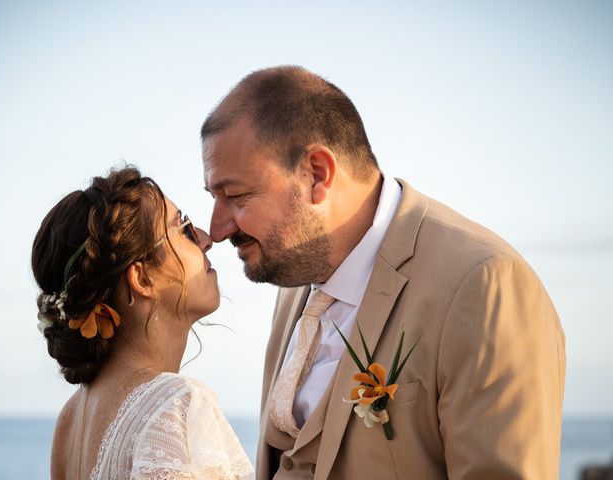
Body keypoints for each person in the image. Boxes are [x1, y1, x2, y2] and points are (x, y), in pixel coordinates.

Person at [200, 66, 566, 479]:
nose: (217, 228)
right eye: (214, 197)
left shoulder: (485, 285)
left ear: (317, 174)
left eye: (236, 196)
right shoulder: (294, 281)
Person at [32, 166, 254, 480]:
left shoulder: (70, 421)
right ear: (142, 278)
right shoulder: (179, 404)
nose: (206, 239)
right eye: (184, 227)